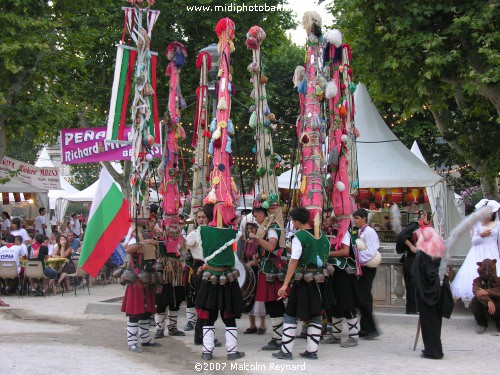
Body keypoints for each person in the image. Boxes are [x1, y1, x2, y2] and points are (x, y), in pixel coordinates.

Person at [272, 207, 330, 360]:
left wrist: (285, 284)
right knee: (316, 314)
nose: (292, 223)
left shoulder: (299, 236)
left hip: (304, 281)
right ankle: (312, 351)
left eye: (292, 220)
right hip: (320, 280)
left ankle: (286, 351)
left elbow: (294, 261)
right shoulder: (323, 236)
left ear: (297, 221)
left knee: (290, 313)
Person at [195, 208, 245, 361]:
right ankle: (231, 352)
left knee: (209, 316)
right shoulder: (232, 233)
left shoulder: (202, 231)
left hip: (209, 278)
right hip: (226, 279)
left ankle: (207, 351)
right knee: (228, 316)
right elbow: (241, 235)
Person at [182, 207, 222, 348]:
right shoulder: (194, 234)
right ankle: (204, 337)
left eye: (203, 217)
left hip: (212, 269)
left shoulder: (213, 232)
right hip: (200, 271)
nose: (201, 219)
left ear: (209, 218)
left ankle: (201, 336)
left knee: (210, 305)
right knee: (204, 305)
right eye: (199, 217)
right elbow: (183, 247)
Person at [121, 223, 161, 353]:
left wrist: (154, 242)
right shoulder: (134, 233)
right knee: (135, 311)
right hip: (137, 276)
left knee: (147, 310)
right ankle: (132, 341)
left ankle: (145, 338)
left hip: (148, 276)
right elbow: (127, 249)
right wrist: (143, 243)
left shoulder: (150, 231)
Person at [251, 206, 286, 351]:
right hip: (267, 268)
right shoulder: (266, 227)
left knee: (274, 304)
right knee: (272, 304)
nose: (255, 219)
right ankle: (279, 337)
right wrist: (259, 255)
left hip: (273, 270)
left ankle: (279, 338)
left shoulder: (271, 228)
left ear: (263, 214)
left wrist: (257, 239)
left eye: (256, 215)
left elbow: (272, 247)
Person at [451, 199, 500, 300]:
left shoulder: (498, 225)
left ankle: (493, 295)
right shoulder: (477, 224)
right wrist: (481, 235)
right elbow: (473, 241)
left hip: (493, 252)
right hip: (478, 251)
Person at [412, 223, 447, 359]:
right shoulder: (438, 252)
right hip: (439, 290)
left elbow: (417, 274)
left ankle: (433, 351)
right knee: (435, 322)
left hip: (427, 292)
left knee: (428, 322)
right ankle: (434, 348)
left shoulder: (422, 254)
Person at [324, 224, 362, 347]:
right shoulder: (333, 232)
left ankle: (354, 336)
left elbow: (345, 251)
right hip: (334, 273)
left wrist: (328, 254)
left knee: (347, 303)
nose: (331, 221)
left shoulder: (345, 232)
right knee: (334, 303)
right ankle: (336, 334)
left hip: (343, 274)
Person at [153, 214, 186, 339]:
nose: (172, 225)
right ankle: (159, 329)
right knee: (161, 300)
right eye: (169, 222)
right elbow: (157, 250)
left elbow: (184, 251)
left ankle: (172, 327)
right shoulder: (160, 235)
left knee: (175, 300)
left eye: (175, 222)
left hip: (177, 269)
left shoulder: (180, 237)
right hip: (164, 270)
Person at [353, 209, 381, 339]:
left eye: (357, 218)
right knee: (365, 298)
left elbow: (371, 251)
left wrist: (357, 257)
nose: (355, 220)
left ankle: (371, 328)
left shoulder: (369, 232)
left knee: (362, 298)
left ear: (364, 218)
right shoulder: (359, 231)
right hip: (362, 268)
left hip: (367, 268)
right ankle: (366, 328)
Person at [396, 210, 431, 314]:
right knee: (411, 284)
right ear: (420, 219)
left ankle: (415, 308)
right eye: (424, 218)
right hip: (411, 259)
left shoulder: (423, 228)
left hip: (418, 259)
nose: (426, 221)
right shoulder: (414, 226)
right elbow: (402, 235)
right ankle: (412, 309)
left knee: (416, 284)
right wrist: (411, 246)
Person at [242, 222, 267, 335]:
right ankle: (252, 325)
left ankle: (262, 324)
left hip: (258, 272)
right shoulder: (247, 242)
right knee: (249, 297)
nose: (250, 231)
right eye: (248, 229)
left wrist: (253, 263)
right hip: (249, 274)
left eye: (252, 228)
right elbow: (243, 257)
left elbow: (263, 259)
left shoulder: (259, 243)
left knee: (259, 298)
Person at [471, 258, 500, 335]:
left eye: (490, 270)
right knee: (475, 301)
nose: (487, 273)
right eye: (484, 270)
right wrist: (488, 300)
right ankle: (482, 323)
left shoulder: (498, 280)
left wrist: (488, 291)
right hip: (484, 304)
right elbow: (476, 291)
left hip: (497, 306)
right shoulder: (477, 281)